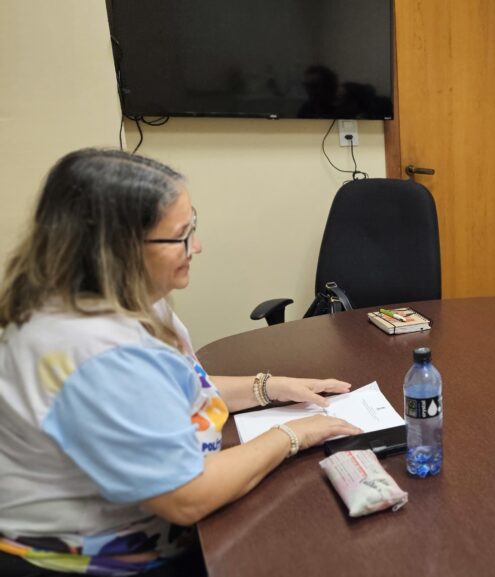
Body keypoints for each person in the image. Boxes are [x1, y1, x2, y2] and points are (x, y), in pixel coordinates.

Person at [0, 149, 363, 576]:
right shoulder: (90, 350)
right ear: (116, 249)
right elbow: (187, 497)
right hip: (95, 559)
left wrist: (270, 387)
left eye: (193, 226)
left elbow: (176, 386)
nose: (198, 246)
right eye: (181, 236)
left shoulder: (126, 296)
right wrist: (293, 434)